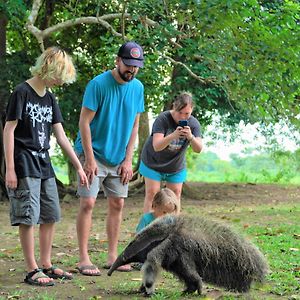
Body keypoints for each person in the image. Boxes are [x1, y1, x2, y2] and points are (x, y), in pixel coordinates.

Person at [3, 46, 89, 286]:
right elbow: (9, 130)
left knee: (50, 213)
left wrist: (79, 167)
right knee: (28, 216)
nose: (60, 82)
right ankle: (32, 269)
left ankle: (47, 264)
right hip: (23, 161)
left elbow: (60, 136)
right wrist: (10, 168)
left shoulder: (50, 97)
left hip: (44, 162)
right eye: (58, 76)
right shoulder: (21, 92)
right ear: (48, 66)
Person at [74, 41, 145, 275]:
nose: (131, 70)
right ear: (117, 61)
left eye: (136, 66)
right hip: (91, 151)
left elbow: (135, 126)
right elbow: (84, 123)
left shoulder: (138, 88)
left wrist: (128, 159)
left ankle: (113, 256)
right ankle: (84, 258)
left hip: (118, 156)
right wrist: (89, 160)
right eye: (128, 64)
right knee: (88, 202)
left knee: (118, 203)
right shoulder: (98, 84)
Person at [139, 92, 203, 213]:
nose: (183, 117)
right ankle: (147, 228)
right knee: (152, 194)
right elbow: (157, 146)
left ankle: (173, 228)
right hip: (153, 163)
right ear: (174, 107)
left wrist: (190, 137)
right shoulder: (163, 119)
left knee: (175, 195)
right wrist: (173, 135)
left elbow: (198, 149)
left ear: (192, 111)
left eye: (187, 114)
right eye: (180, 113)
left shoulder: (193, 124)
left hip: (175, 166)